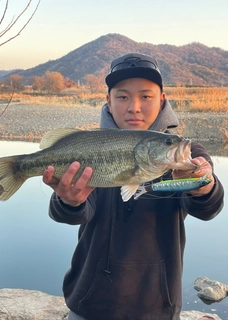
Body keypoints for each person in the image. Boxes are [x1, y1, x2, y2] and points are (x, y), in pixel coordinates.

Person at [43, 52, 224, 320]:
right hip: (89, 303)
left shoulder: (183, 152)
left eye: (146, 96)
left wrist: (203, 187)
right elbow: (71, 214)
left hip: (156, 307)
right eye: (123, 96)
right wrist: (69, 201)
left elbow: (208, 208)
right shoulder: (88, 146)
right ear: (109, 101)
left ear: (162, 100)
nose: (134, 107)